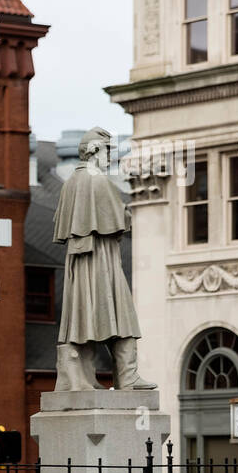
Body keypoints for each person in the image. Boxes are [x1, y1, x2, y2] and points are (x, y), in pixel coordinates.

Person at [53, 127, 157, 391]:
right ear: (94, 150)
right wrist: (129, 214)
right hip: (102, 261)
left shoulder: (69, 184)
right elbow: (119, 220)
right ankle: (128, 377)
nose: (110, 156)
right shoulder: (98, 180)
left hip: (79, 267)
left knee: (82, 321)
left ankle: (81, 379)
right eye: (108, 150)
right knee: (122, 317)